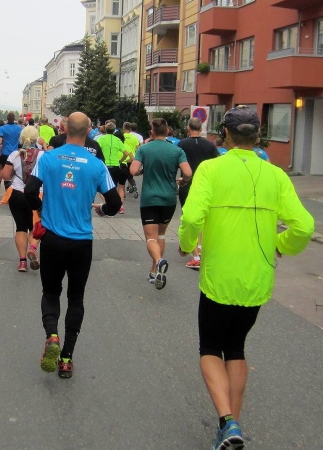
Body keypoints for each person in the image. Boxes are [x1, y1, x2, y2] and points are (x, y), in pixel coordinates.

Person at [177, 105, 314, 450]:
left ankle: (228, 422)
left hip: (219, 278)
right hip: (257, 279)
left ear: (225, 134)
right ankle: (229, 427)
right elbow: (304, 226)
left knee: (211, 348)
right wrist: (281, 244)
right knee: (236, 347)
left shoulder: (211, 169)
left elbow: (191, 217)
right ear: (258, 135)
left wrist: (186, 245)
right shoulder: (275, 175)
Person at [24, 112, 122, 379]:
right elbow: (115, 203)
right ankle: (66, 357)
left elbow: (30, 191)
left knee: (50, 293)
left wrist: (41, 209)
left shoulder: (48, 158)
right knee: (76, 298)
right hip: (81, 242)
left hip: (53, 239)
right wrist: (102, 210)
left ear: (65, 128)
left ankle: (52, 336)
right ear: (89, 131)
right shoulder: (96, 165)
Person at [129, 118, 192, 290]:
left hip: (150, 198)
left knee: (151, 237)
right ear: (167, 132)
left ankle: (159, 261)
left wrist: (142, 170)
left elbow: (133, 170)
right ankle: (154, 272)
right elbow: (187, 172)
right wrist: (183, 181)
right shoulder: (177, 150)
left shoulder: (144, 149)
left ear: (152, 132)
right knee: (161, 235)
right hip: (168, 199)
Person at [177, 117, 220, 270]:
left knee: (190, 218)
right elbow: (218, 164)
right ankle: (200, 247)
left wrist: (180, 179)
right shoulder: (209, 145)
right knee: (202, 218)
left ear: (188, 128)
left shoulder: (181, 144)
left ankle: (195, 256)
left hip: (187, 185)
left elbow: (176, 163)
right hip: (206, 187)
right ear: (201, 129)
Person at [0, 125, 44, 272]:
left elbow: (5, 176)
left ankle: (22, 262)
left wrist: (15, 172)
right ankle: (33, 248)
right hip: (38, 195)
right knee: (36, 227)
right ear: (37, 138)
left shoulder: (14, 155)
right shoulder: (44, 156)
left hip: (17, 194)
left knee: (20, 227)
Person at [97, 122, 132, 214]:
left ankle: (109, 204)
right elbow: (126, 153)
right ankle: (120, 206)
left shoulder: (101, 139)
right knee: (117, 187)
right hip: (116, 166)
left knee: (102, 188)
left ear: (105, 129)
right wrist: (121, 160)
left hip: (105, 166)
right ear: (114, 130)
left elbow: (96, 150)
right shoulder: (118, 140)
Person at [0, 112, 22, 189]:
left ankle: (7, 190)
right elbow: (21, 141)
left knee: (6, 174)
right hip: (16, 154)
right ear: (14, 119)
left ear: (7, 119)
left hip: (6, 153)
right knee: (16, 173)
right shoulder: (19, 128)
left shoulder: (2, 128)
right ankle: (14, 189)